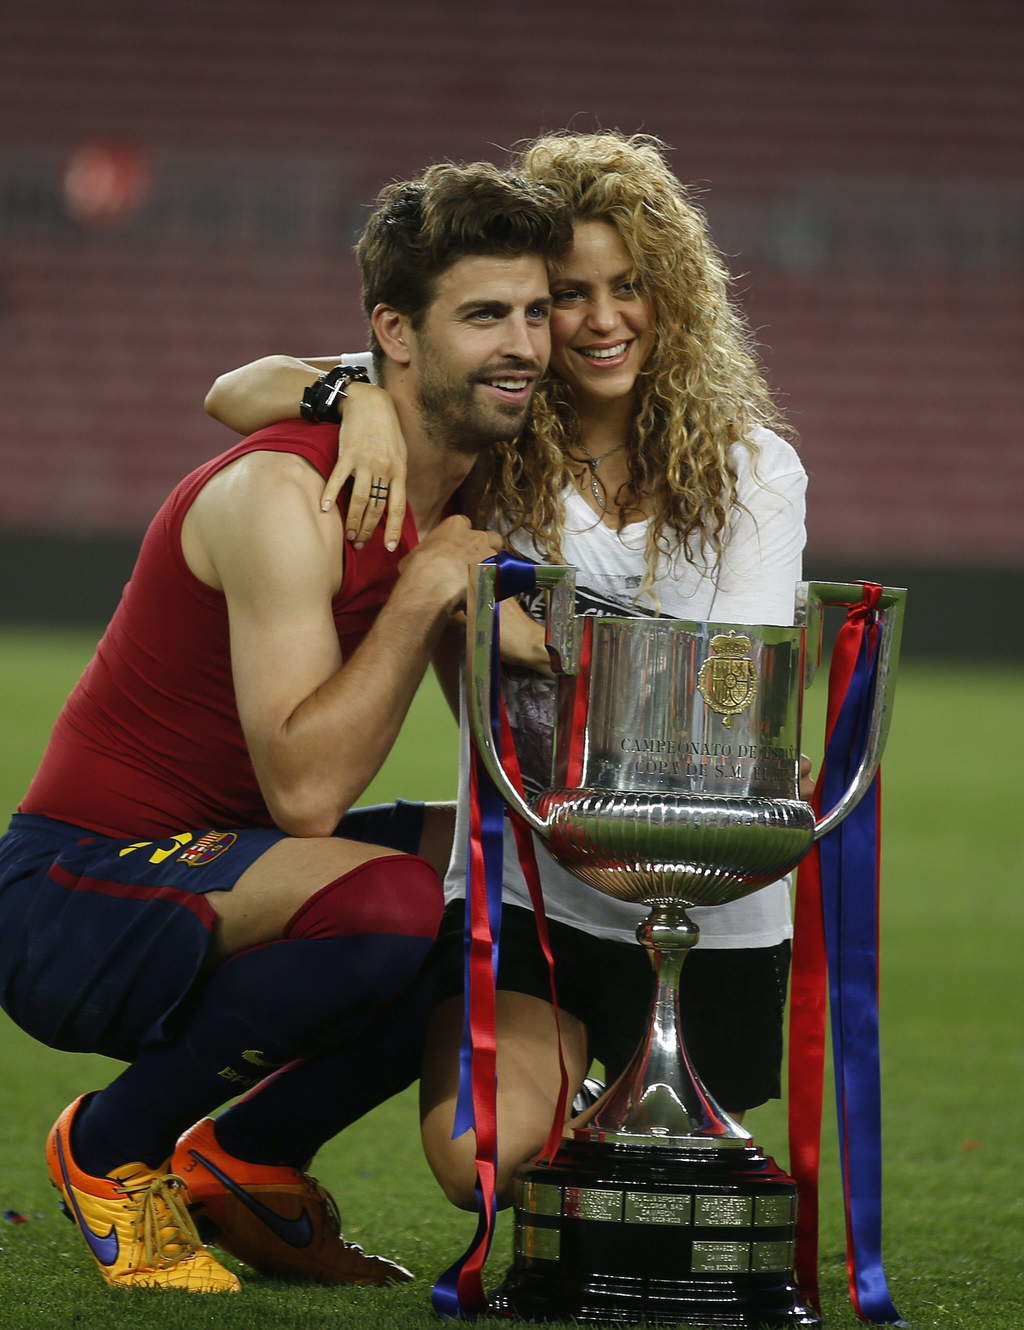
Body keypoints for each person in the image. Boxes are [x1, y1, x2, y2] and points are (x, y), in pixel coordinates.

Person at [203, 132, 808, 1216]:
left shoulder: (751, 469)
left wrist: (546, 643)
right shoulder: (493, 437)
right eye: (569, 294)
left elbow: (725, 710)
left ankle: (607, 1115)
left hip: (698, 891)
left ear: (674, 296)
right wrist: (358, 402)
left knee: (660, 1171)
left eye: (631, 286)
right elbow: (233, 390)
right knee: (482, 1160)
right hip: (538, 883)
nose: (603, 319)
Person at [0, 161, 571, 1293]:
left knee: (501, 869)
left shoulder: (461, 486)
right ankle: (109, 1148)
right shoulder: (282, 496)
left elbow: (486, 745)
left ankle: (249, 1159)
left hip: (230, 859)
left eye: (535, 312)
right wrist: (425, 592)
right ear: (395, 334)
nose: (522, 344)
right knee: (387, 899)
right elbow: (307, 798)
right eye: (484, 316)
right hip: (78, 892)